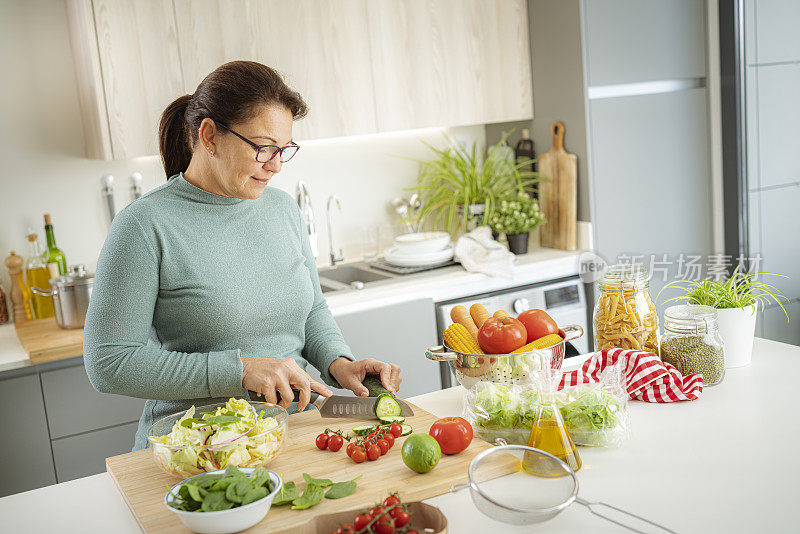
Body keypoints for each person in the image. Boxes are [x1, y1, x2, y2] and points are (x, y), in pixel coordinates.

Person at [83, 61, 402, 451]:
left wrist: (339, 364)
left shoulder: (283, 209)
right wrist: (241, 369)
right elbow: (109, 364)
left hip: (293, 433)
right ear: (210, 136)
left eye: (284, 150)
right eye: (263, 148)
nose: (275, 165)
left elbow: (312, 309)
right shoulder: (144, 225)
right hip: (198, 447)